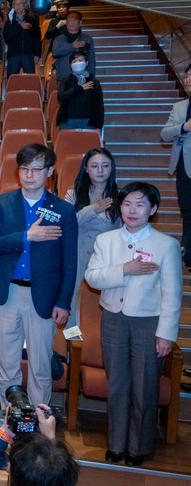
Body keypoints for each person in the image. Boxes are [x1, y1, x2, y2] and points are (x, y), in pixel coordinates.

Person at [85, 182, 182, 467]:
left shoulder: (166, 245)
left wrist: (166, 334)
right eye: (127, 204)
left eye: (140, 205)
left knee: (145, 386)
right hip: (113, 319)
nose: (132, 210)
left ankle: (139, 447)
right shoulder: (106, 240)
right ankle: (116, 444)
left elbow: (172, 294)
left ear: (153, 209)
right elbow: (92, 277)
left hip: (149, 323)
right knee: (117, 384)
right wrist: (124, 269)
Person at [0, 143, 77, 409]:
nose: (29, 175)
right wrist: (27, 236)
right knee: (7, 364)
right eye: (24, 169)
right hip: (7, 292)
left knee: (40, 366)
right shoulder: (1, 203)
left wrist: (63, 302)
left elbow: (70, 261)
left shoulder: (63, 210)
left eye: (36, 169)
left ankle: (39, 422)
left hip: (44, 295)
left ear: (49, 171)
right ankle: (10, 418)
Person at [64, 148, 120, 329]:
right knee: (71, 300)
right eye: (94, 166)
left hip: (106, 256)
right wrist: (91, 209)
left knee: (100, 303)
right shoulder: (73, 193)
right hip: (77, 254)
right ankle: (72, 340)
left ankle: (97, 340)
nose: (100, 170)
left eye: (105, 166)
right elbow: (65, 225)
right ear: (86, 169)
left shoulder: (121, 196)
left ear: (111, 168)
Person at [161, 64, 191, 268]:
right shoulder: (180, 106)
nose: (187, 79)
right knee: (187, 210)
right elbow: (164, 134)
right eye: (187, 76)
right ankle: (187, 254)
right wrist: (183, 127)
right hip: (183, 167)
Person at [56, 52, 105, 130]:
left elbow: (99, 105)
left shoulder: (94, 83)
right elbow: (61, 96)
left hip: (88, 122)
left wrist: (99, 125)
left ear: (86, 63)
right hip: (68, 122)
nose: (77, 63)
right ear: (71, 65)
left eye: (80, 60)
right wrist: (80, 88)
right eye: (75, 61)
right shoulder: (66, 81)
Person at [3, 0, 43, 76]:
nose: (17, 6)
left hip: (28, 54)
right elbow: (7, 38)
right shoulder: (9, 21)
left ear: (25, 5)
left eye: (20, 4)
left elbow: (37, 38)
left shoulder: (31, 20)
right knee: (12, 79)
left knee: (30, 79)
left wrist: (37, 54)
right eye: (15, 4)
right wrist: (20, 27)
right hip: (14, 54)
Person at [50, 11, 96, 82]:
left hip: (82, 78)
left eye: (75, 20)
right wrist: (72, 46)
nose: (72, 23)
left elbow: (91, 59)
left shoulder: (87, 39)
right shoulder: (59, 39)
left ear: (80, 22)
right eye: (70, 20)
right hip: (64, 78)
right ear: (66, 22)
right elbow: (55, 52)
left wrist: (91, 77)